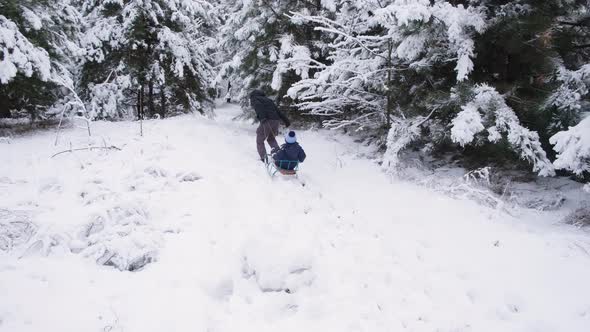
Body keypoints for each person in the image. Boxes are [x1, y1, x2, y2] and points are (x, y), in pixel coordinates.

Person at [250, 90, 291, 162]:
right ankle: (278, 156)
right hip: (276, 120)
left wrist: (262, 117)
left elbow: (258, 106)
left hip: (267, 120)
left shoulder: (255, 98)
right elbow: (278, 111)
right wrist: (286, 120)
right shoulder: (268, 100)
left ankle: (263, 157)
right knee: (271, 138)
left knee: (260, 138)